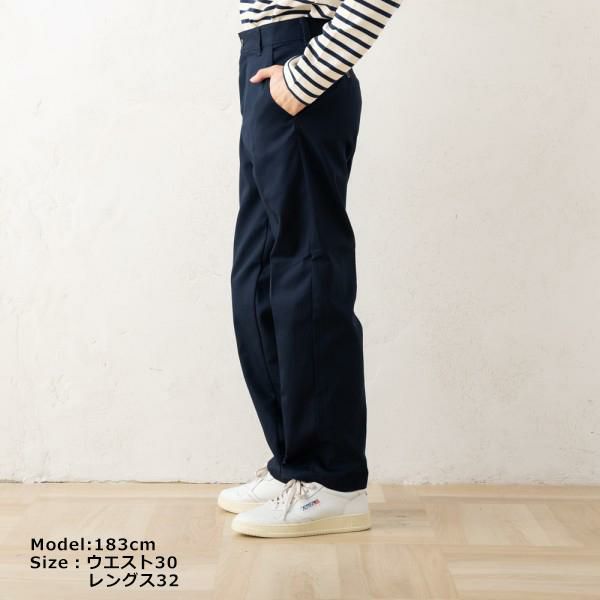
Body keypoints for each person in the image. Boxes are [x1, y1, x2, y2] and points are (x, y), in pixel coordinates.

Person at [219, 0, 401, 538]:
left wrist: (307, 75)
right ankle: (293, 465)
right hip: (264, 61)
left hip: (302, 62)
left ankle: (333, 479)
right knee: (256, 278)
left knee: (309, 274)